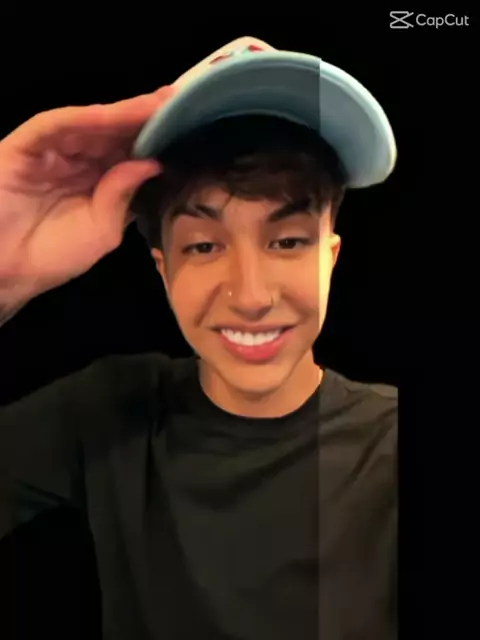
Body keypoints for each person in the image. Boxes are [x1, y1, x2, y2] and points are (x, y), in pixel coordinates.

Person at [0, 37, 398, 639]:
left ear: (331, 257)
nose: (251, 295)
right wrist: (5, 274)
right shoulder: (109, 413)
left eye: (288, 240)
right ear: (163, 270)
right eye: (204, 246)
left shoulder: (392, 445)